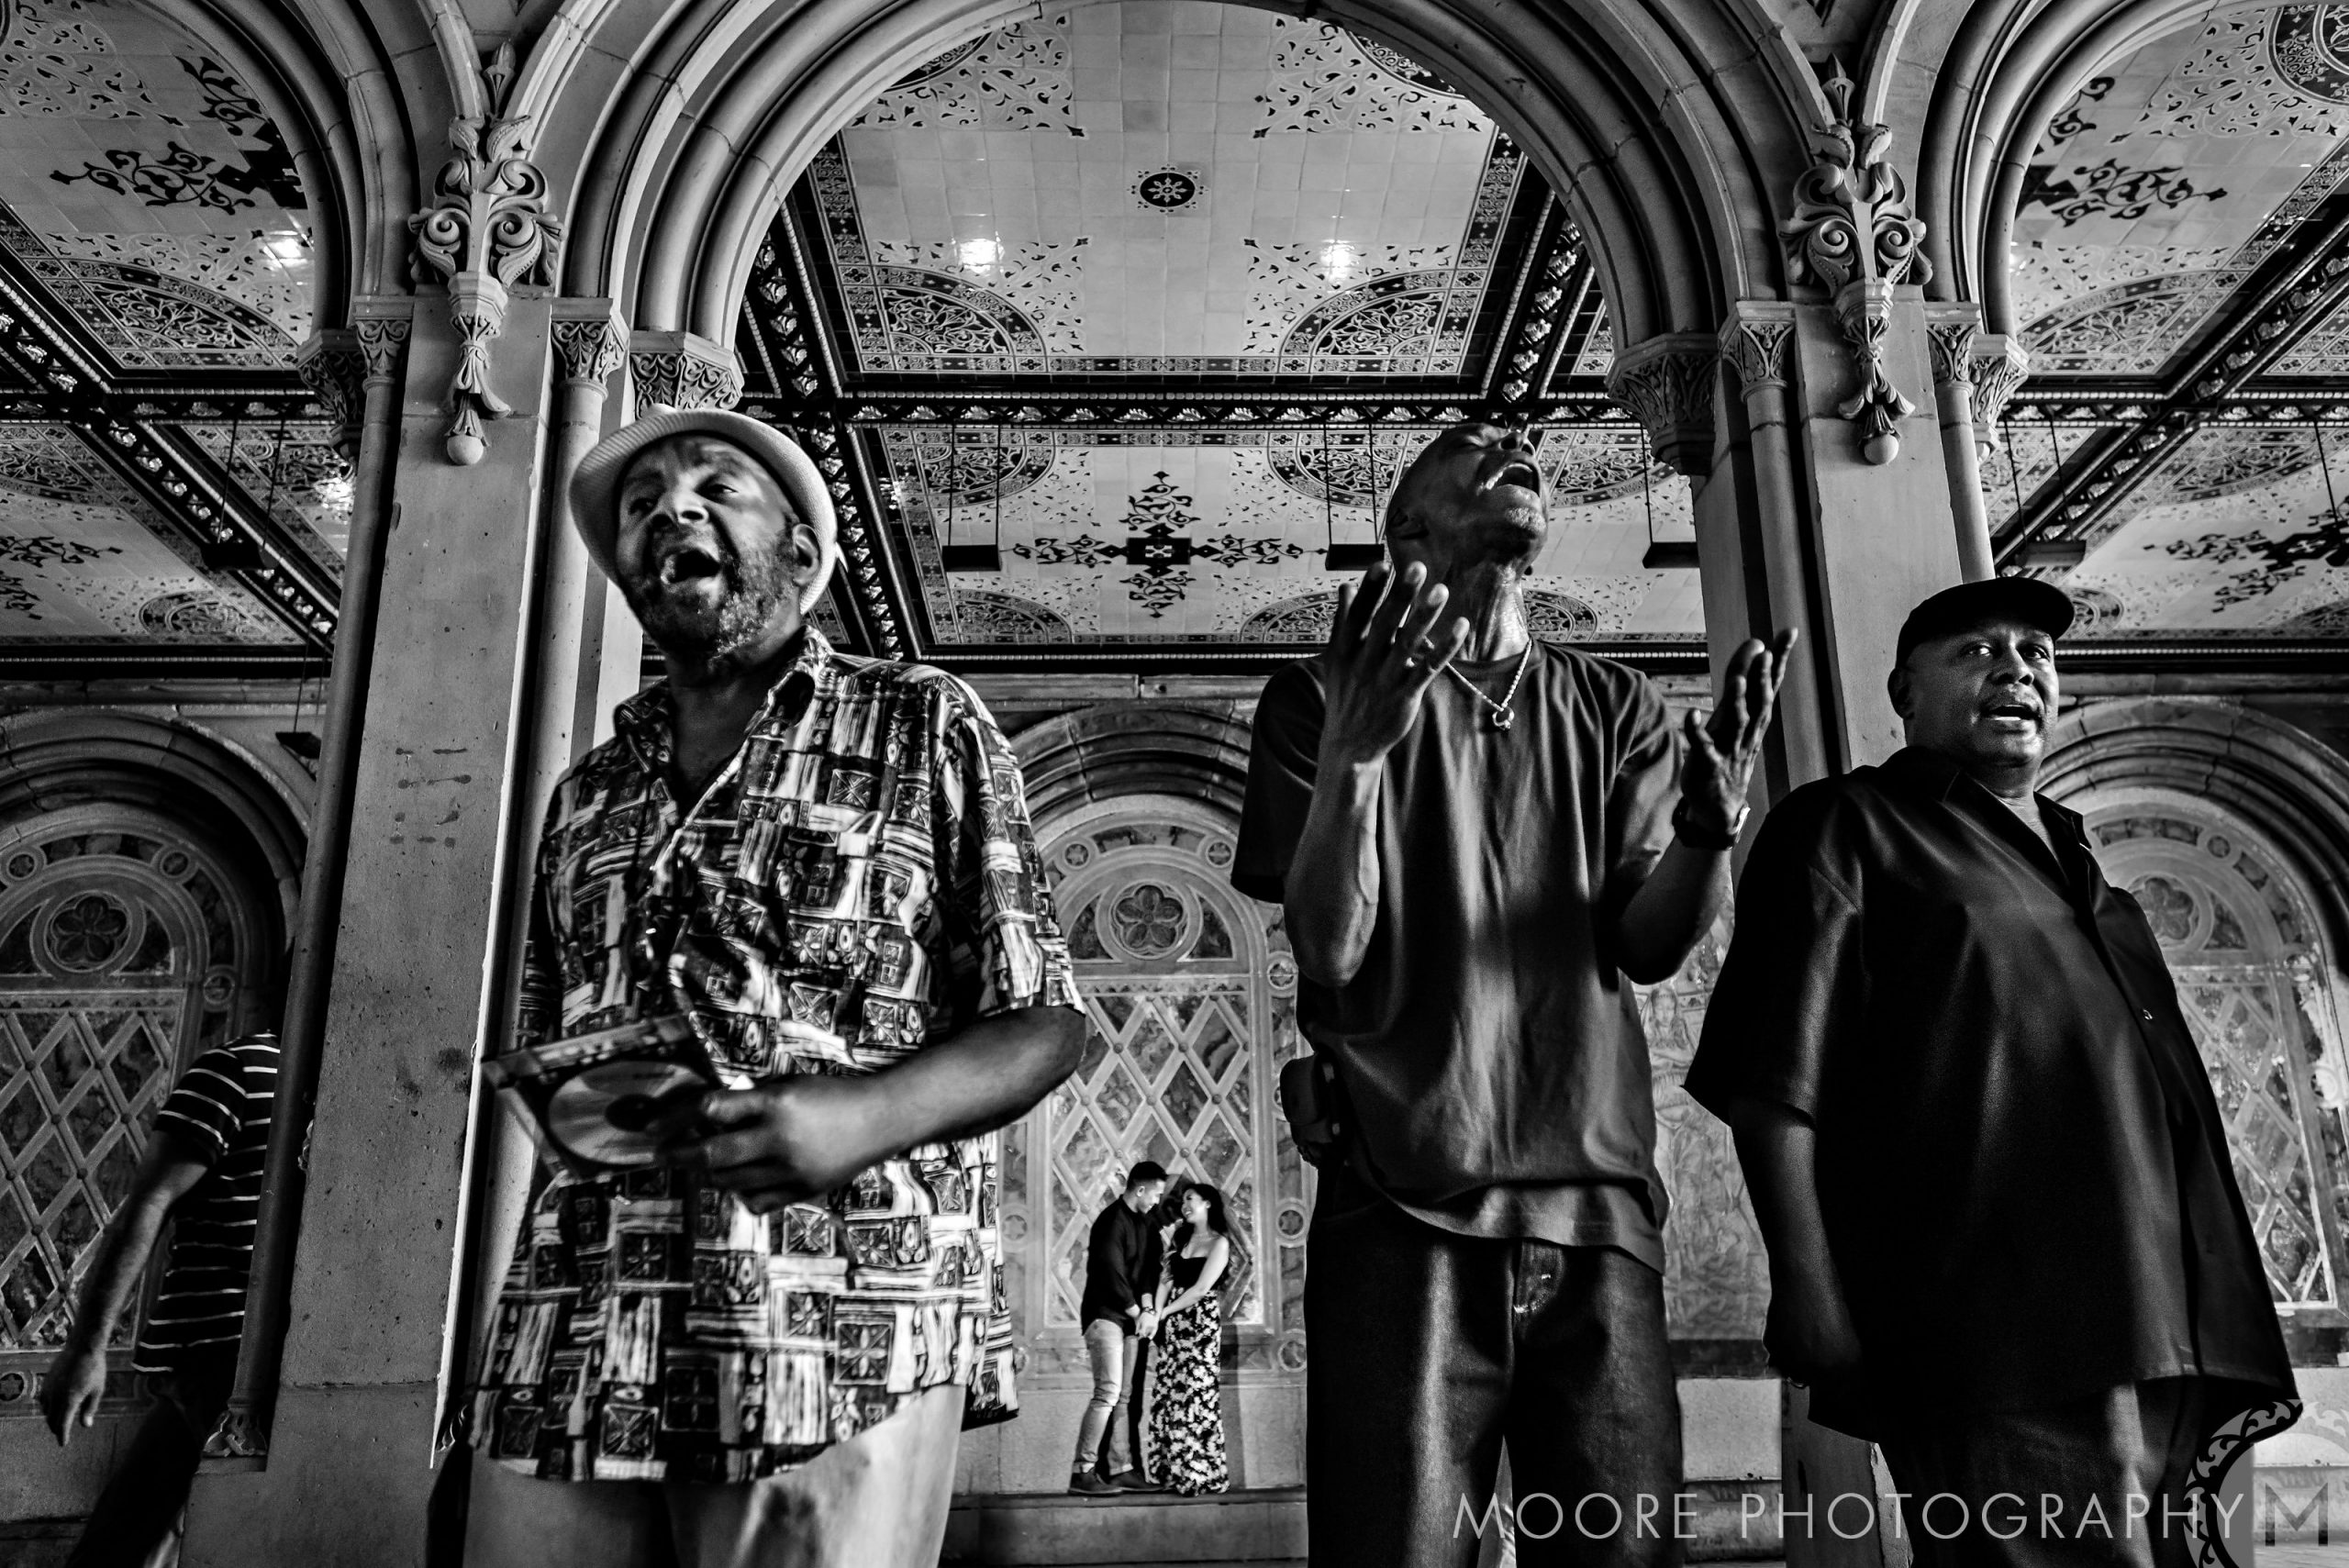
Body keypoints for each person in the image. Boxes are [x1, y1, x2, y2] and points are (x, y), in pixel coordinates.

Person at [462, 406, 1087, 1568]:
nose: (671, 512)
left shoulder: (921, 719)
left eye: (713, 488)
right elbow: (558, 1042)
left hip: (837, 1311)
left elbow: (1044, 1020)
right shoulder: (586, 793)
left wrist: (864, 1114)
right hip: (577, 1314)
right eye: (644, 506)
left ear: (802, 552)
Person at [1232, 420, 1795, 1568]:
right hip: (1403, 1200)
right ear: (1404, 530)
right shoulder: (1315, 696)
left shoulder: (1615, 703)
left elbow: (1645, 944)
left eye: (1521, 444)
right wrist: (1354, 757)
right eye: (1471, 445)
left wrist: (1708, 823)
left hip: (1596, 1209)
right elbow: (1331, 949)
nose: (1515, 444)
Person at [1685, 578, 2299, 1568]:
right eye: (1974, 652)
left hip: (2160, 1308)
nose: (2015, 667)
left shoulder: (2079, 860)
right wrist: (1808, 1283)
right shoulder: (1850, 824)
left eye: (2034, 653)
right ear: (1903, 692)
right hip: (1991, 1310)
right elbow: (1771, 1074)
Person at [40, 1027, 282, 1568]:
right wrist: (86, 1350)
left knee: (122, 1547)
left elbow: (148, 1205)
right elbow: (150, 1204)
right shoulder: (254, 1071)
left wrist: (86, 1350)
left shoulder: (264, 1071)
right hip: (233, 1355)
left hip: (230, 1358)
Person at [1071, 1160, 1170, 1494]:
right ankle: (1082, 1472)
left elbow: (1142, 1274)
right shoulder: (1111, 1222)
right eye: (1155, 1194)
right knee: (1108, 1393)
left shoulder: (1142, 1224)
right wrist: (1136, 1311)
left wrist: (1146, 1310)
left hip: (1128, 1320)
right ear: (1139, 1189)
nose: (1157, 1201)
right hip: (1104, 1318)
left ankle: (1120, 1467)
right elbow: (1109, 1274)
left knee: (1124, 1397)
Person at [1144, 1183, 1232, 1497]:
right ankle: (1173, 1472)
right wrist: (1156, 1313)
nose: (1185, 1205)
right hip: (1173, 1323)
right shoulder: (1180, 1238)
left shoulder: (1219, 1243)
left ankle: (1198, 1473)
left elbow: (1200, 1289)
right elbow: (1165, 1280)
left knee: (1196, 1396)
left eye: (1191, 1199)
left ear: (1208, 1203)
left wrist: (1163, 1312)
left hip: (1200, 1324)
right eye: (1183, 1201)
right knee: (1170, 1393)